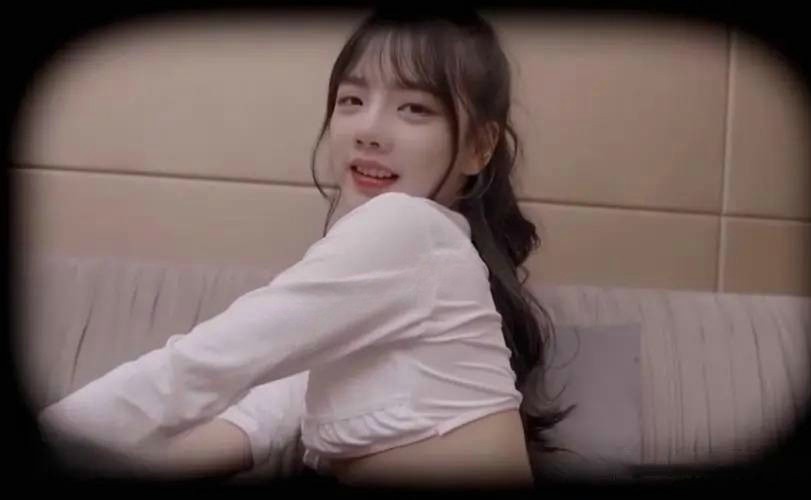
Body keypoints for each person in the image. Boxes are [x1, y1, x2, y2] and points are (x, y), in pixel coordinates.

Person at [38, 6, 571, 488]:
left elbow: (204, 365)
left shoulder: (408, 229)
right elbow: (262, 416)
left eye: (414, 108)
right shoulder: (404, 271)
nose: (369, 130)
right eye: (352, 100)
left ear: (479, 146)